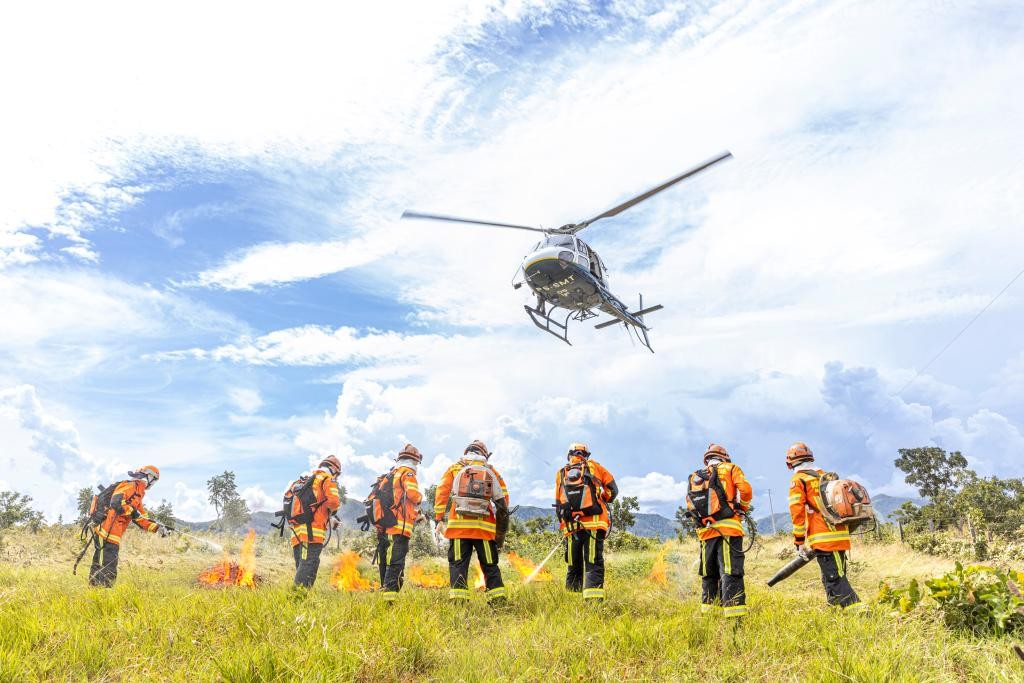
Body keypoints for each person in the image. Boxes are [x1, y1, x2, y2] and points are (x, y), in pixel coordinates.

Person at [786, 442, 865, 612]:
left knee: (835, 577)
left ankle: (860, 612)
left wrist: (799, 541)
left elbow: (797, 512)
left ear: (790, 463)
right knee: (831, 575)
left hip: (823, 536)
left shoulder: (798, 480)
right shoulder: (826, 476)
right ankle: (834, 609)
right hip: (840, 533)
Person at [434, 440, 510, 603]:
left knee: (458, 565)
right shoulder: (490, 470)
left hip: (458, 529)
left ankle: (458, 602)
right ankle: (498, 602)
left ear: (467, 452)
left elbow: (441, 493)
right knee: (490, 565)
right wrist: (499, 532)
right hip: (484, 529)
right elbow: (504, 500)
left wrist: (438, 518)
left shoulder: (455, 468)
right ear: (484, 454)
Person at [686, 444, 752, 619]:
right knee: (730, 572)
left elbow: (691, 506)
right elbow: (746, 490)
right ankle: (734, 620)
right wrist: (742, 509)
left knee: (709, 574)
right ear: (725, 457)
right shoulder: (731, 468)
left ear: (707, 459)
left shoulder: (695, 477)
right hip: (729, 530)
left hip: (706, 533)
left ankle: (710, 617)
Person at [554, 442, 618, 601]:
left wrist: (565, 527)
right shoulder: (594, 467)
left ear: (569, 455)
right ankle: (593, 603)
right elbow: (612, 490)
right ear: (586, 456)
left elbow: (558, 503)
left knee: (573, 565)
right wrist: (602, 499)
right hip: (594, 525)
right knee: (592, 562)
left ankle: (572, 600)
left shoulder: (561, 473)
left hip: (572, 528)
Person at [89, 465, 168, 587]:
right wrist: (132, 511)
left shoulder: (138, 493)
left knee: (108, 568)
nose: (153, 483)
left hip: (113, 536)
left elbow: (141, 518)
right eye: (154, 480)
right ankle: (98, 593)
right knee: (105, 568)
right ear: (149, 476)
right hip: (105, 533)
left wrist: (158, 528)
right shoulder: (130, 486)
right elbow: (116, 502)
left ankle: (97, 593)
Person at [375, 444, 424, 601]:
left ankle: (386, 591)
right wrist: (420, 498)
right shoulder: (407, 473)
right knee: (396, 562)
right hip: (399, 527)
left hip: (387, 525)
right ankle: (389, 598)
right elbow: (413, 495)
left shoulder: (391, 474)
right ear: (414, 460)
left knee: (388, 560)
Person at [289, 455, 342, 589]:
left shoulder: (307, 480)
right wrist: (332, 513)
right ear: (333, 469)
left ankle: (301, 596)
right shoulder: (326, 479)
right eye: (337, 474)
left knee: (303, 566)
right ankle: (296, 598)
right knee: (308, 565)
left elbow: (312, 507)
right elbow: (334, 502)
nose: (336, 477)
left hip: (296, 532)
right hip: (312, 533)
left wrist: (330, 518)